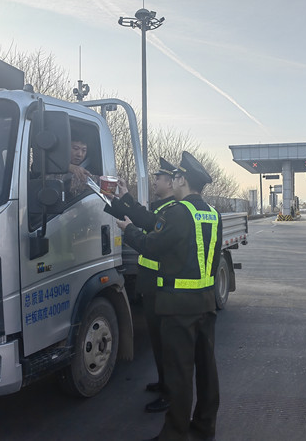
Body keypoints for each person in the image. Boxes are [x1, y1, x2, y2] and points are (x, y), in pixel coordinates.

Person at [117, 151, 221, 441]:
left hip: (178, 307)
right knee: (207, 371)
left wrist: (129, 230)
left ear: (182, 180)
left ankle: (174, 434)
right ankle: (204, 428)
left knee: (179, 373)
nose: (172, 181)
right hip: (205, 302)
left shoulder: (178, 213)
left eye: (174, 177)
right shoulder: (211, 213)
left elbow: (151, 246)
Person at [105, 158, 176, 413]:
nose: (154, 182)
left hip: (161, 286)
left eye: (158, 178)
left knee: (165, 343)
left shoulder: (172, 210)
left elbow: (146, 225)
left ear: (171, 183)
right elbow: (144, 217)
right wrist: (123, 197)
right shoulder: (163, 208)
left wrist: (128, 227)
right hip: (152, 284)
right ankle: (164, 382)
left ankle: (170, 393)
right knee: (157, 340)